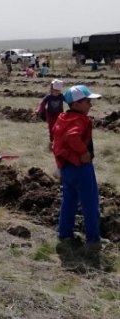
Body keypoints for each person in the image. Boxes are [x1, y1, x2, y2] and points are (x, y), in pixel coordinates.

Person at [52, 84, 102, 252]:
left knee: (69, 201)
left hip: (67, 168)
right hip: (81, 167)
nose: (90, 105)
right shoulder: (80, 119)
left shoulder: (62, 118)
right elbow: (72, 136)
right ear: (77, 104)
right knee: (90, 202)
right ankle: (93, 240)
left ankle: (65, 234)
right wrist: (83, 152)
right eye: (88, 101)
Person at [36, 79, 65, 148]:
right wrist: (39, 110)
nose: (58, 92)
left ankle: (59, 142)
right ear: (52, 89)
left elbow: (69, 101)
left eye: (59, 91)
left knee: (59, 128)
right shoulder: (48, 97)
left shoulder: (61, 96)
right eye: (56, 91)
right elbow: (42, 104)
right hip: (50, 114)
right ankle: (52, 142)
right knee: (52, 128)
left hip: (59, 114)